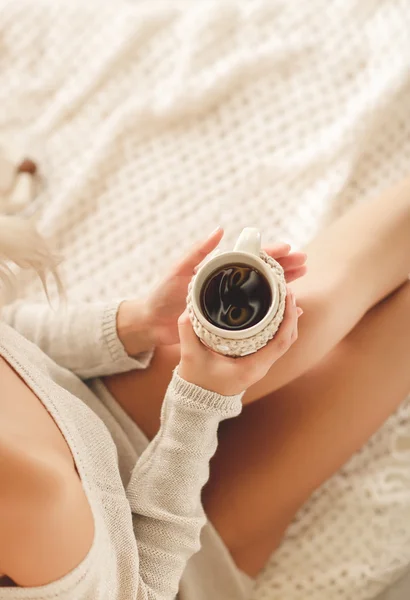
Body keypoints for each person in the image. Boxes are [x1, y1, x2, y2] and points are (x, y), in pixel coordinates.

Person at [0, 177, 409, 599]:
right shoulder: (23, 493)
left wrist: (140, 321)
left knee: (319, 303)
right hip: (166, 560)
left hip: (95, 410)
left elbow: (12, 333)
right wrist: (199, 402)